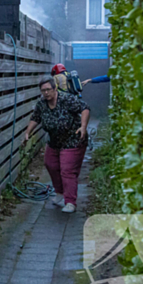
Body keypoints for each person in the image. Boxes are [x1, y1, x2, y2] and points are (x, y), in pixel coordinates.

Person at [22, 76, 90, 213]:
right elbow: (36, 117)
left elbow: (85, 108)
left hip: (73, 139)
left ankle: (70, 202)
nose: (46, 93)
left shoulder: (66, 99)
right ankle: (59, 193)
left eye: (48, 90)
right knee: (50, 164)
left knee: (67, 169)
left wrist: (83, 126)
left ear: (54, 89)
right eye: (43, 91)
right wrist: (28, 132)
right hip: (54, 141)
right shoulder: (42, 103)